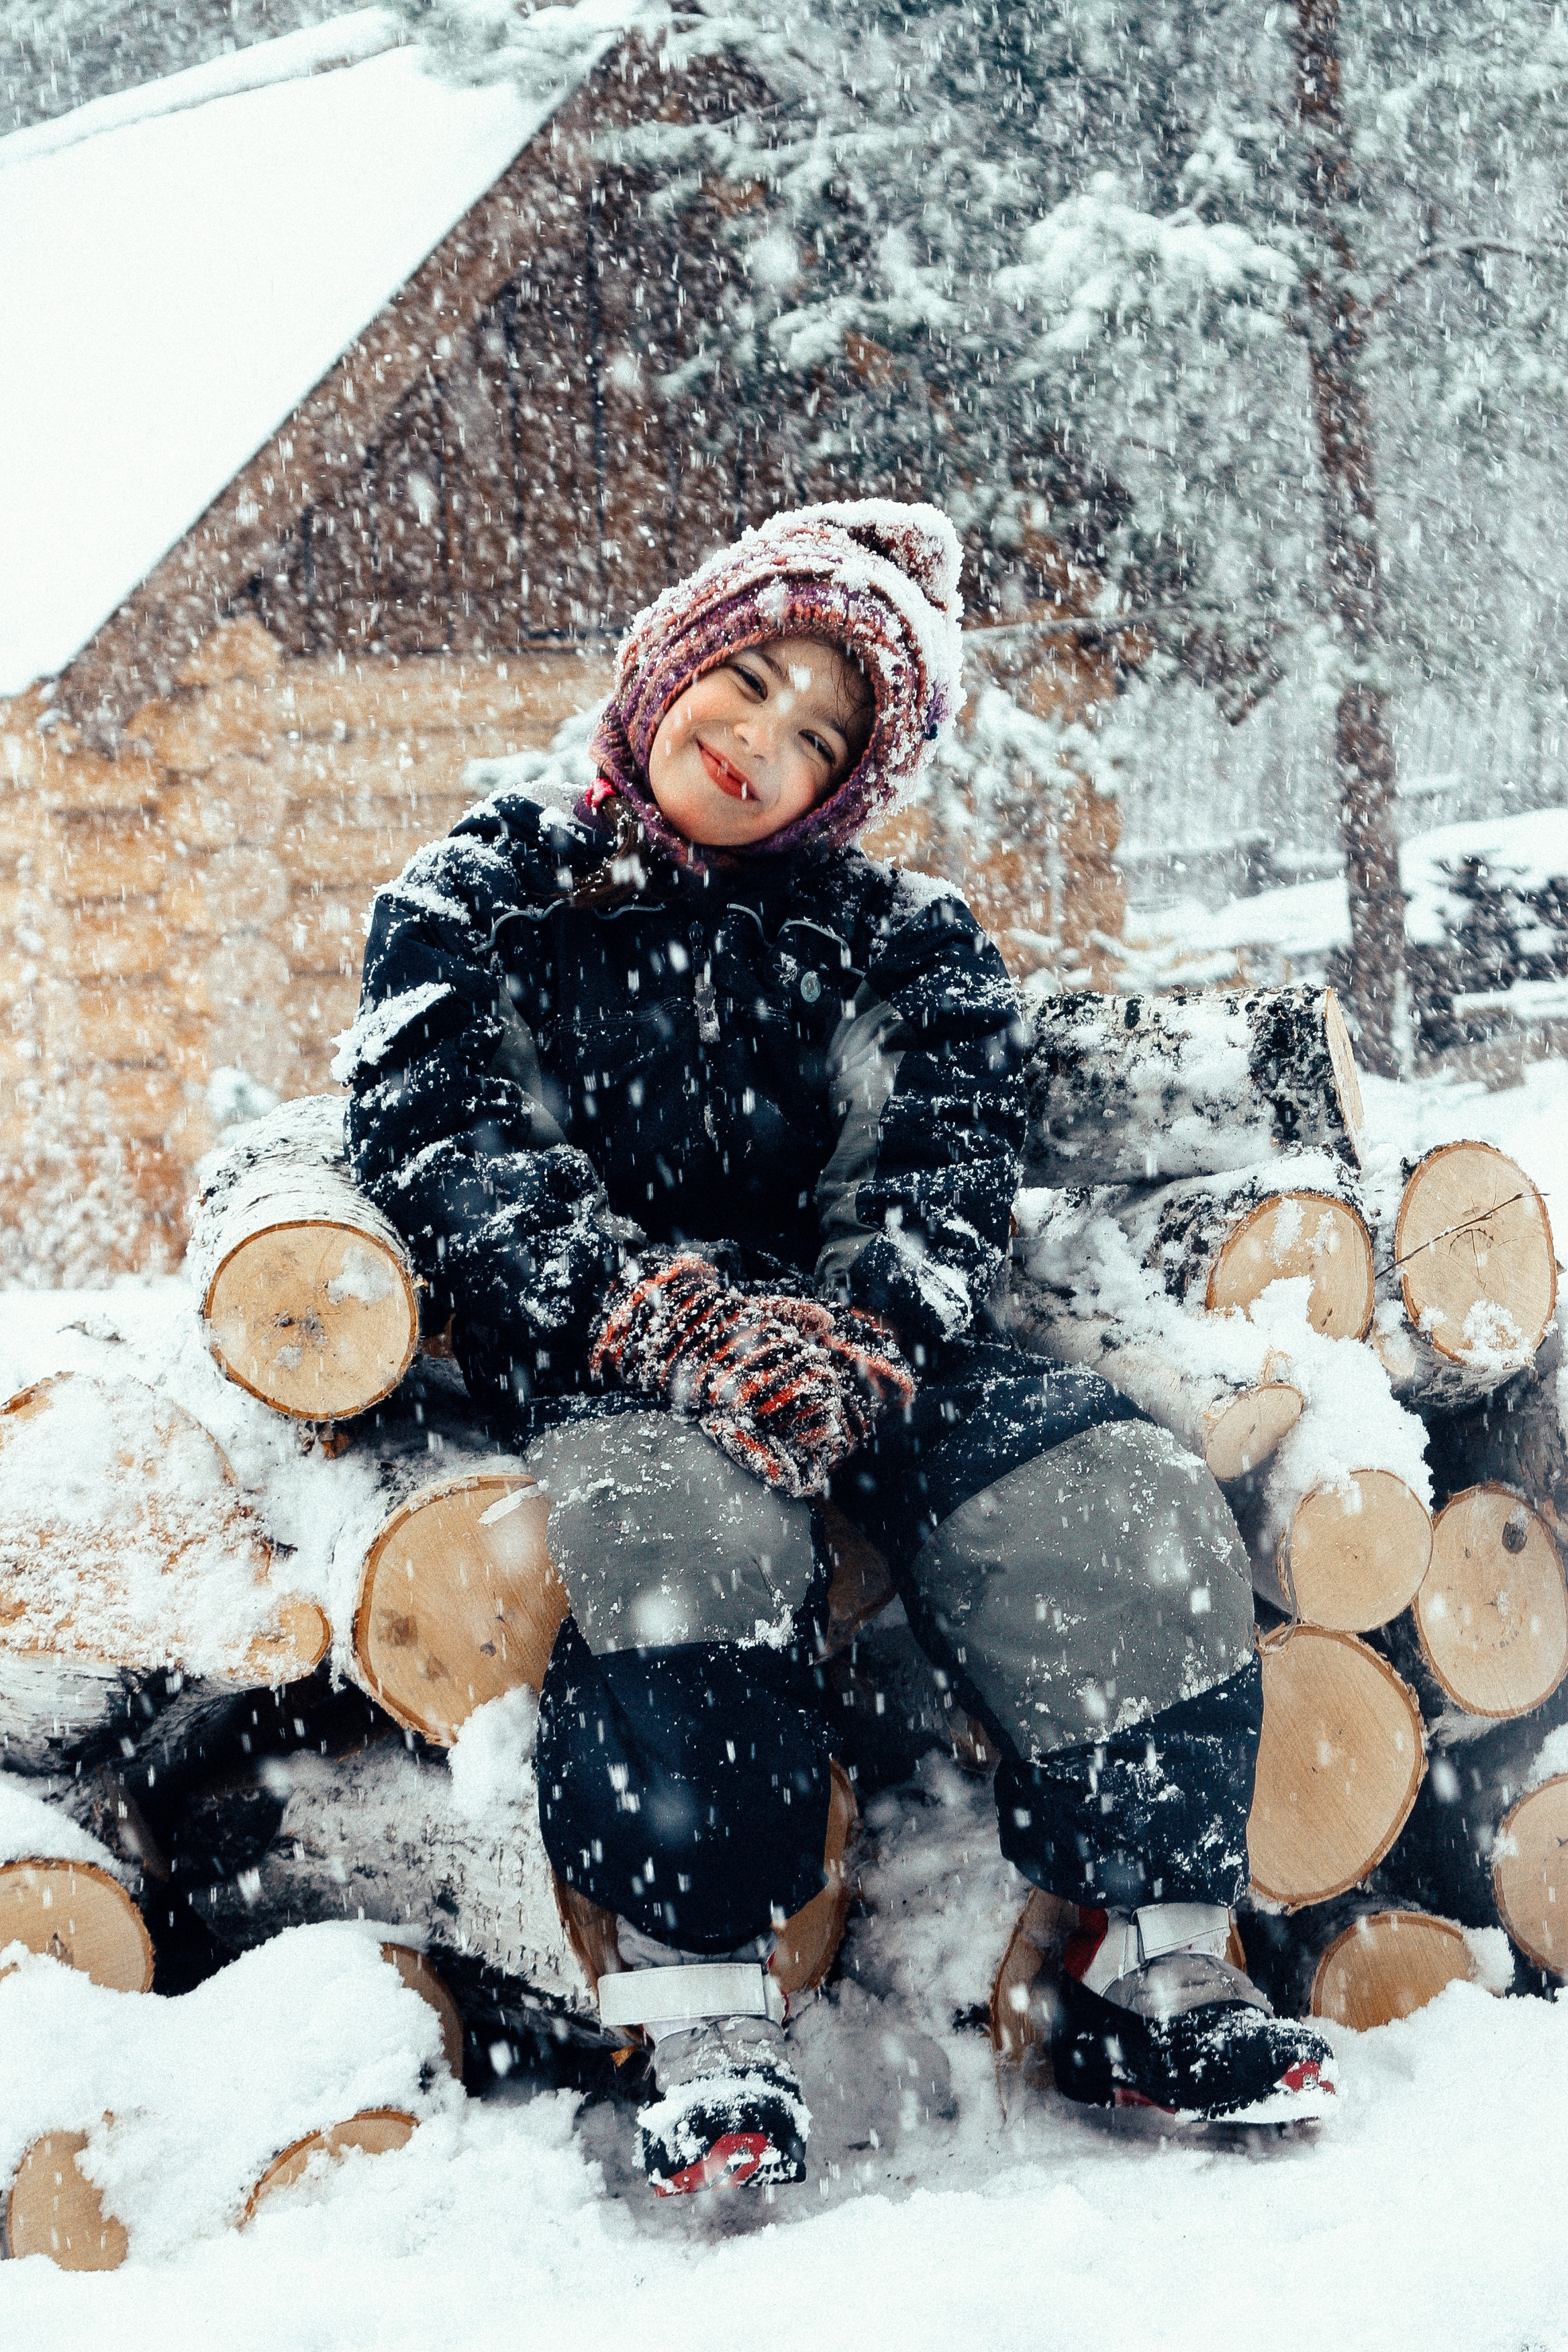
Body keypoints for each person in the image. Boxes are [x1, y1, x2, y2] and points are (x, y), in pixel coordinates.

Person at [342, 501, 1334, 2191]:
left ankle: (1151, 1958)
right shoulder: (483, 894)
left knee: (1108, 1491)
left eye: (819, 739)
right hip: (614, 1351)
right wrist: (652, 1310)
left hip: (877, 1350)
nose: (761, 745)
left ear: (849, 790)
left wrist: (860, 1330)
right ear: (671, 664)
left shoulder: (900, 938)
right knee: (682, 1537)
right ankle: (708, 2003)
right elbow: (440, 1136)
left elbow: (947, 1154)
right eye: (747, 682)